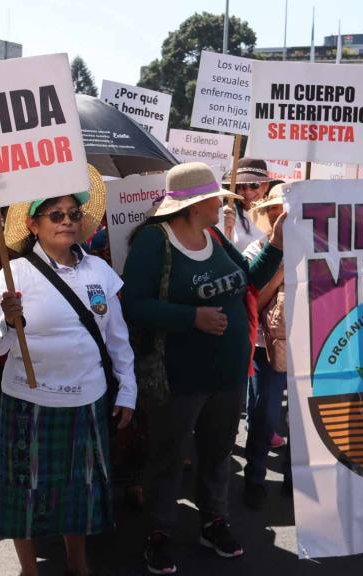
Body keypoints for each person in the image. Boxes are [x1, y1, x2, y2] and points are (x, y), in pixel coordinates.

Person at [122, 162, 284, 575]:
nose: (223, 205)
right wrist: (191, 318)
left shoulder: (214, 234)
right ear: (195, 206)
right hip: (180, 378)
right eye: (216, 198)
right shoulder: (153, 243)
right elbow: (134, 305)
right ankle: (160, 532)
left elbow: (245, 279)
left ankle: (214, 521)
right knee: (169, 456)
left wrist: (277, 245)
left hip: (228, 374)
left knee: (216, 454)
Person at [0, 187, 137, 576]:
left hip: (88, 399)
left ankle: (78, 564)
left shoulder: (99, 271)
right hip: (29, 402)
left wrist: (128, 389)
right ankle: (29, 570)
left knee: (78, 492)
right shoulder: (13, 274)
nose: (67, 220)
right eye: (55, 214)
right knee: (24, 493)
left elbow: (117, 337)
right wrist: (5, 317)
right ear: (33, 225)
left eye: (73, 213)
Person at [241, 182, 289, 509]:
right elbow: (250, 305)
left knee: (302, 420)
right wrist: (281, 260)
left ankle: (294, 478)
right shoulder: (255, 251)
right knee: (263, 413)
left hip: (306, 348)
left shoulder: (321, 251)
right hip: (263, 348)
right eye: (280, 208)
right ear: (270, 211)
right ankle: (254, 477)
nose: (287, 214)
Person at [221, 158, 282, 253]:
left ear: (266, 186)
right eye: (241, 186)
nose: (247, 191)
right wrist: (225, 232)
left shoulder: (277, 213)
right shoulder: (227, 214)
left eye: (254, 184)